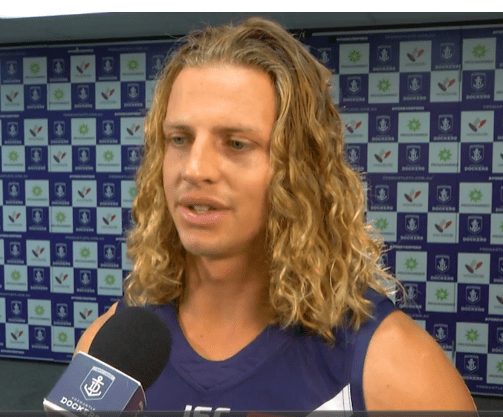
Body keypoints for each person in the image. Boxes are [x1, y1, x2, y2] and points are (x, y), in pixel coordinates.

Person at [76, 17, 477, 411]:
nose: (194, 169)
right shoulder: (108, 354)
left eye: (236, 143)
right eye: (179, 139)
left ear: (301, 168)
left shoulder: (394, 370)